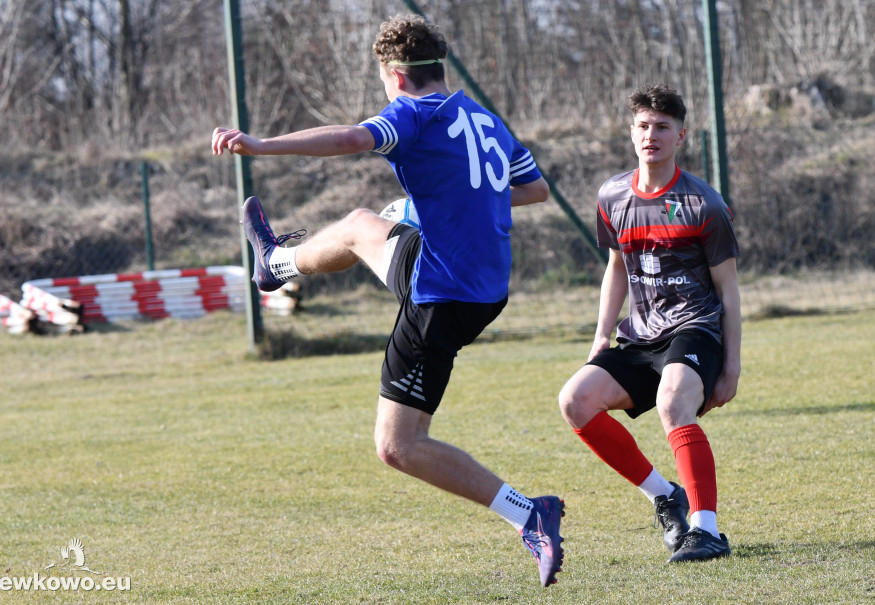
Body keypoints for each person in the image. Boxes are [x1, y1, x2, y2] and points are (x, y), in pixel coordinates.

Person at [211, 14, 565, 587]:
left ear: (395, 78)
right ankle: (274, 262)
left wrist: (258, 145)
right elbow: (534, 188)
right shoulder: (482, 116)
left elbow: (353, 138)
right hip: (485, 286)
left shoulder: (413, 112)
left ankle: (530, 514)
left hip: (442, 292)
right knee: (360, 224)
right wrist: (443, 206)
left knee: (398, 446)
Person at [557, 83, 741, 563]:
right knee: (575, 401)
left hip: (696, 327)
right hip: (640, 334)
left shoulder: (705, 204)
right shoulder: (613, 194)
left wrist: (732, 367)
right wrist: (601, 334)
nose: (651, 135)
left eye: (662, 127)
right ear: (632, 132)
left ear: (681, 136)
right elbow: (617, 267)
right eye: (643, 126)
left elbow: (729, 292)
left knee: (672, 401)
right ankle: (665, 496)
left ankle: (707, 531)